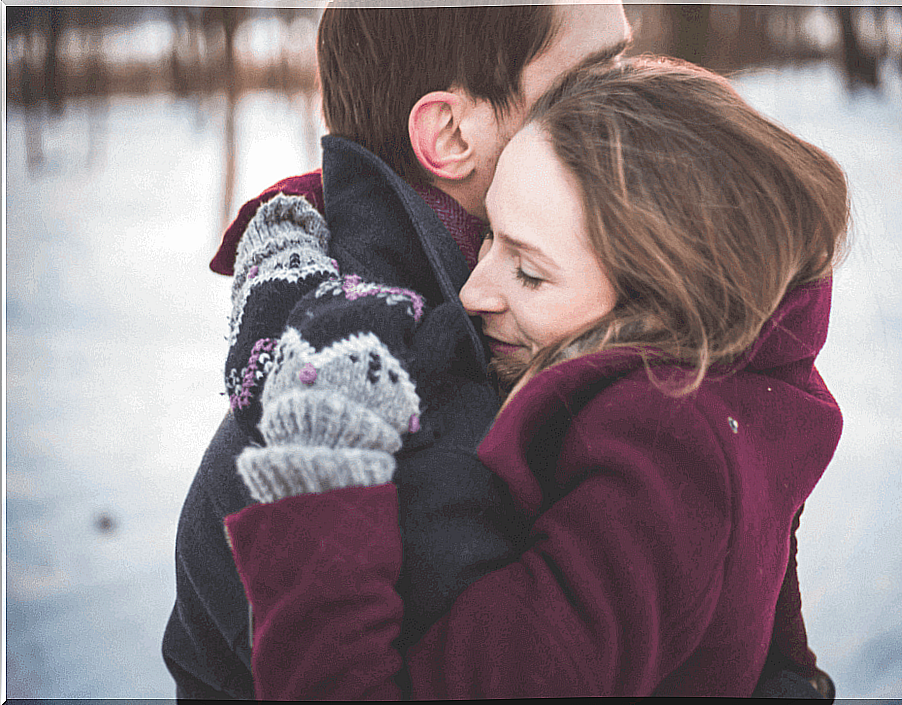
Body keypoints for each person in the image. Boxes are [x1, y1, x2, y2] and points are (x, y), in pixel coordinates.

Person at [222, 56, 849, 698]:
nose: (472, 293)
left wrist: (320, 479)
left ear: (664, 302)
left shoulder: (662, 471)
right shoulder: (739, 395)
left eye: (530, 272)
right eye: (489, 236)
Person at [162, 4, 633, 699]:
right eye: (598, 77)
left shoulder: (552, 309)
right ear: (449, 133)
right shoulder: (403, 442)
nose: (640, 104)